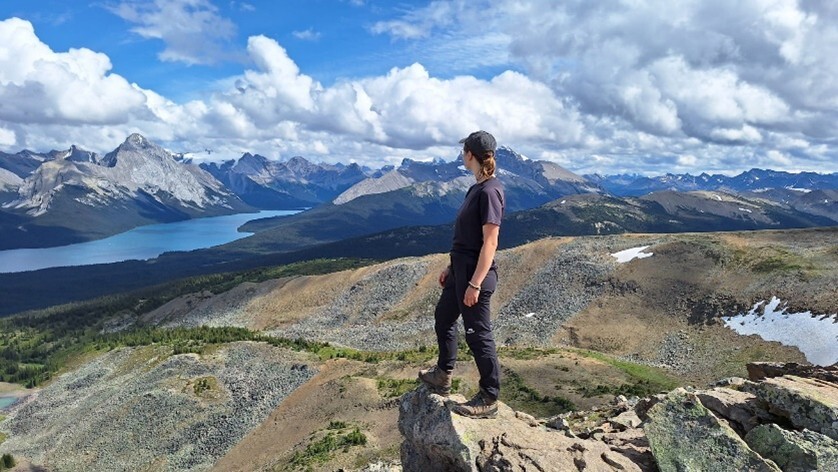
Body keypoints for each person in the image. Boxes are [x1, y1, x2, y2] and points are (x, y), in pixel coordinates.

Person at [419, 130, 505, 419]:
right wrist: (450, 267)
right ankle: (443, 374)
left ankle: (489, 397)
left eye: (463, 151)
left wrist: (475, 283)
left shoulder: (491, 191)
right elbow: (466, 237)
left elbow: (490, 242)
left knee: (478, 334)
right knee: (443, 318)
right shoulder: (476, 189)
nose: (461, 155)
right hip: (460, 270)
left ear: (470, 154)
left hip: (474, 275)